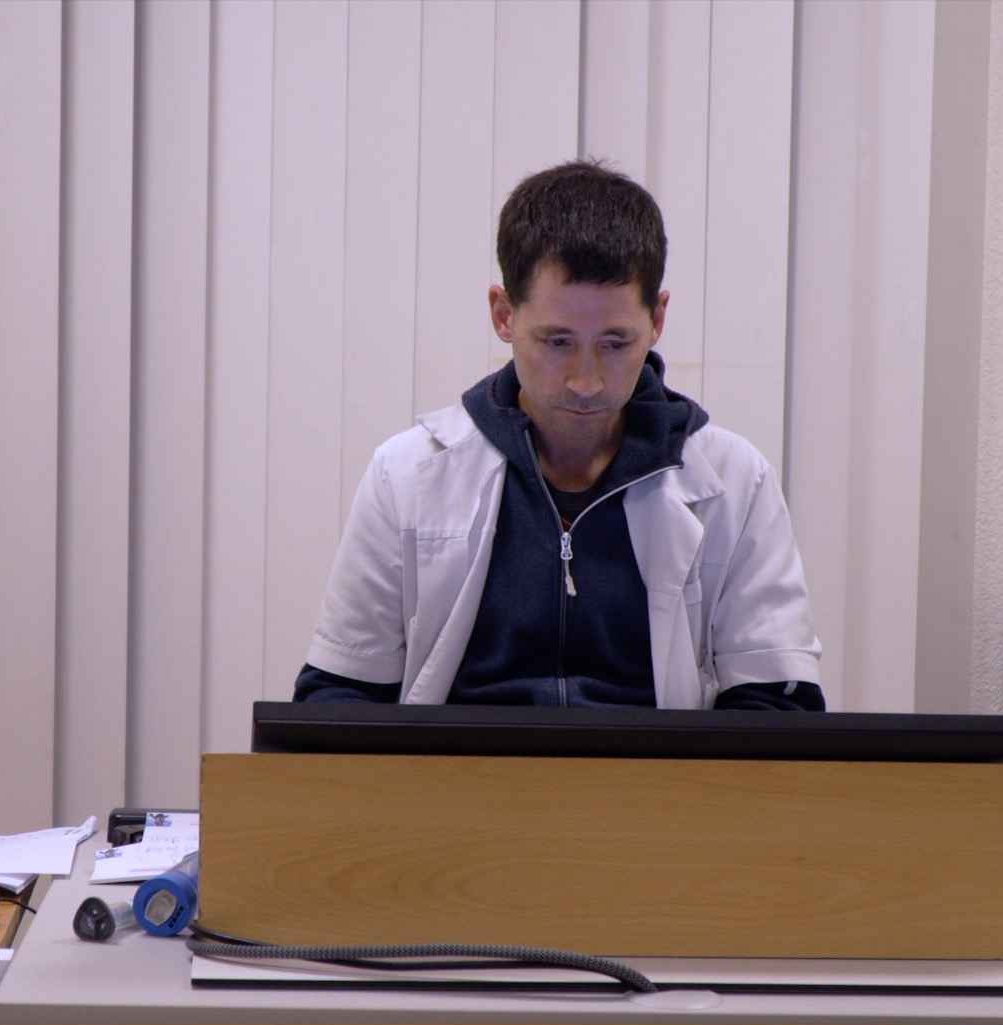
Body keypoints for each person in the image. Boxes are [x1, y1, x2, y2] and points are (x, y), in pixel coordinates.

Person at [294, 160, 823, 710]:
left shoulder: (736, 482)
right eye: (557, 342)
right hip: (459, 766)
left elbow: (776, 707)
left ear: (657, 319)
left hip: (655, 768)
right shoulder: (406, 475)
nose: (585, 382)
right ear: (504, 314)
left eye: (615, 343)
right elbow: (338, 695)